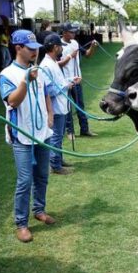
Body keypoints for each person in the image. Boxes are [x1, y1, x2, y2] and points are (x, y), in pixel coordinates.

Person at [0, 29, 57, 243]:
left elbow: (46, 93)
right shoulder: (6, 74)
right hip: (21, 135)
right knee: (25, 180)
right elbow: (12, 101)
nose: (35, 53)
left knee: (42, 175)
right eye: (30, 49)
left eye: (36, 49)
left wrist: (50, 114)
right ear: (18, 48)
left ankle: (39, 210)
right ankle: (21, 223)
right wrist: (25, 81)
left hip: (42, 133)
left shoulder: (37, 70)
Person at [39, 32, 79, 175]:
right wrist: (67, 85)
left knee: (59, 136)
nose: (62, 49)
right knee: (56, 137)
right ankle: (55, 165)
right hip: (55, 109)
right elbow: (49, 91)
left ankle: (59, 160)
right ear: (55, 47)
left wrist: (70, 80)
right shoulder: (46, 66)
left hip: (61, 107)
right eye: (60, 47)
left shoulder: (53, 63)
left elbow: (58, 83)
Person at [58, 22, 98, 138]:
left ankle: (84, 130)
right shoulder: (58, 45)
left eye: (74, 31)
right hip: (65, 82)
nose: (74, 33)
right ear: (64, 33)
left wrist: (92, 47)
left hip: (77, 81)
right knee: (67, 108)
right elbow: (56, 65)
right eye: (71, 31)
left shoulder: (75, 43)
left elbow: (87, 55)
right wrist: (70, 56)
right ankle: (70, 131)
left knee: (80, 106)